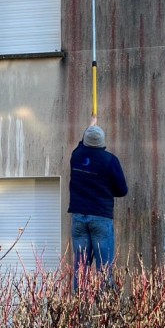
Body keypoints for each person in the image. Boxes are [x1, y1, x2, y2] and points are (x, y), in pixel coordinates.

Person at [68, 119, 128, 290]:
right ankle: (105, 309)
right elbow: (122, 190)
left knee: (81, 267)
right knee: (104, 268)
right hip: (101, 217)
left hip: (79, 217)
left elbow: (81, 146)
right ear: (102, 143)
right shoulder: (110, 160)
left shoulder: (76, 156)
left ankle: (79, 309)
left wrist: (88, 128)